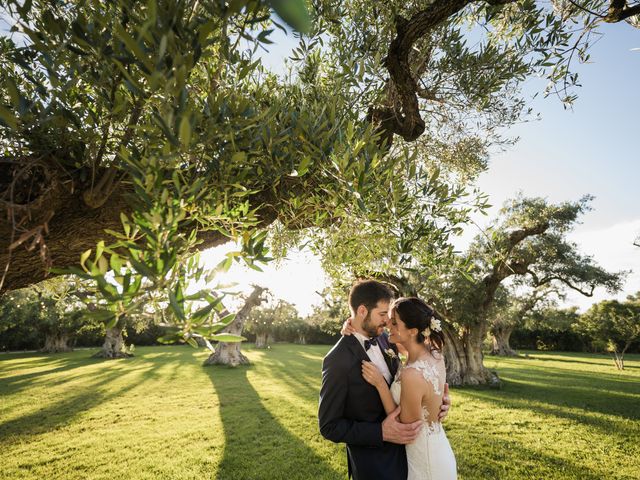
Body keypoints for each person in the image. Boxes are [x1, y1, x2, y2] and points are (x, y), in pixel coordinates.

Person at [318, 280, 450, 479]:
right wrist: (380, 432)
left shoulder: (384, 338)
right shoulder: (337, 360)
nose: (387, 322)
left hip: (413, 458)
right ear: (362, 310)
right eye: (382, 315)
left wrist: (435, 403)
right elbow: (329, 426)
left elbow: (417, 375)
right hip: (376, 467)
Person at [361, 297, 457, 480]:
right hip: (438, 446)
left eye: (394, 323)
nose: (388, 324)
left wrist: (381, 385)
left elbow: (406, 427)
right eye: (389, 319)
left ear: (413, 331)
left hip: (426, 464)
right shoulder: (434, 352)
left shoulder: (412, 375)